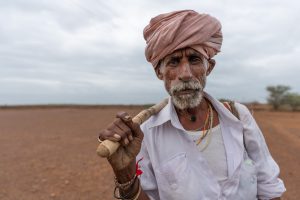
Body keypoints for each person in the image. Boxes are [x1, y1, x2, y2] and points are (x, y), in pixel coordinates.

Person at [98, 10, 286, 200]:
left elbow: (269, 185)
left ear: (209, 68)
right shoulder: (147, 132)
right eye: (174, 62)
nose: (185, 74)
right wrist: (125, 172)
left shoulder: (238, 115)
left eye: (194, 60)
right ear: (160, 73)